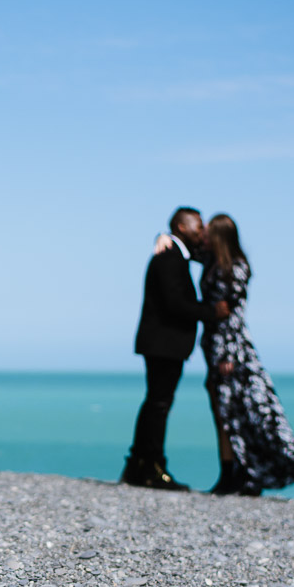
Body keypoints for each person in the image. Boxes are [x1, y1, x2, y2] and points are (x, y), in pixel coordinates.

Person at [195, 214, 294, 495]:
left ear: (219, 235)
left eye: (208, 232)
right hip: (213, 344)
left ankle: (248, 472)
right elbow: (184, 249)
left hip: (232, 349)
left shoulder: (237, 267)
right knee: (222, 411)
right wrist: (162, 237)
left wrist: (228, 353)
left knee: (243, 411)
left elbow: (235, 314)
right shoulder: (211, 261)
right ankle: (230, 471)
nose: (203, 236)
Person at [121, 207, 228, 489]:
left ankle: (139, 466)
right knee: (159, 404)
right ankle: (152, 467)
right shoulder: (170, 258)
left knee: (156, 402)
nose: (203, 231)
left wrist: (162, 235)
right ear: (183, 227)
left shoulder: (175, 254)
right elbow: (175, 304)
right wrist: (212, 311)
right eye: (199, 226)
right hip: (163, 343)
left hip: (162, 343)